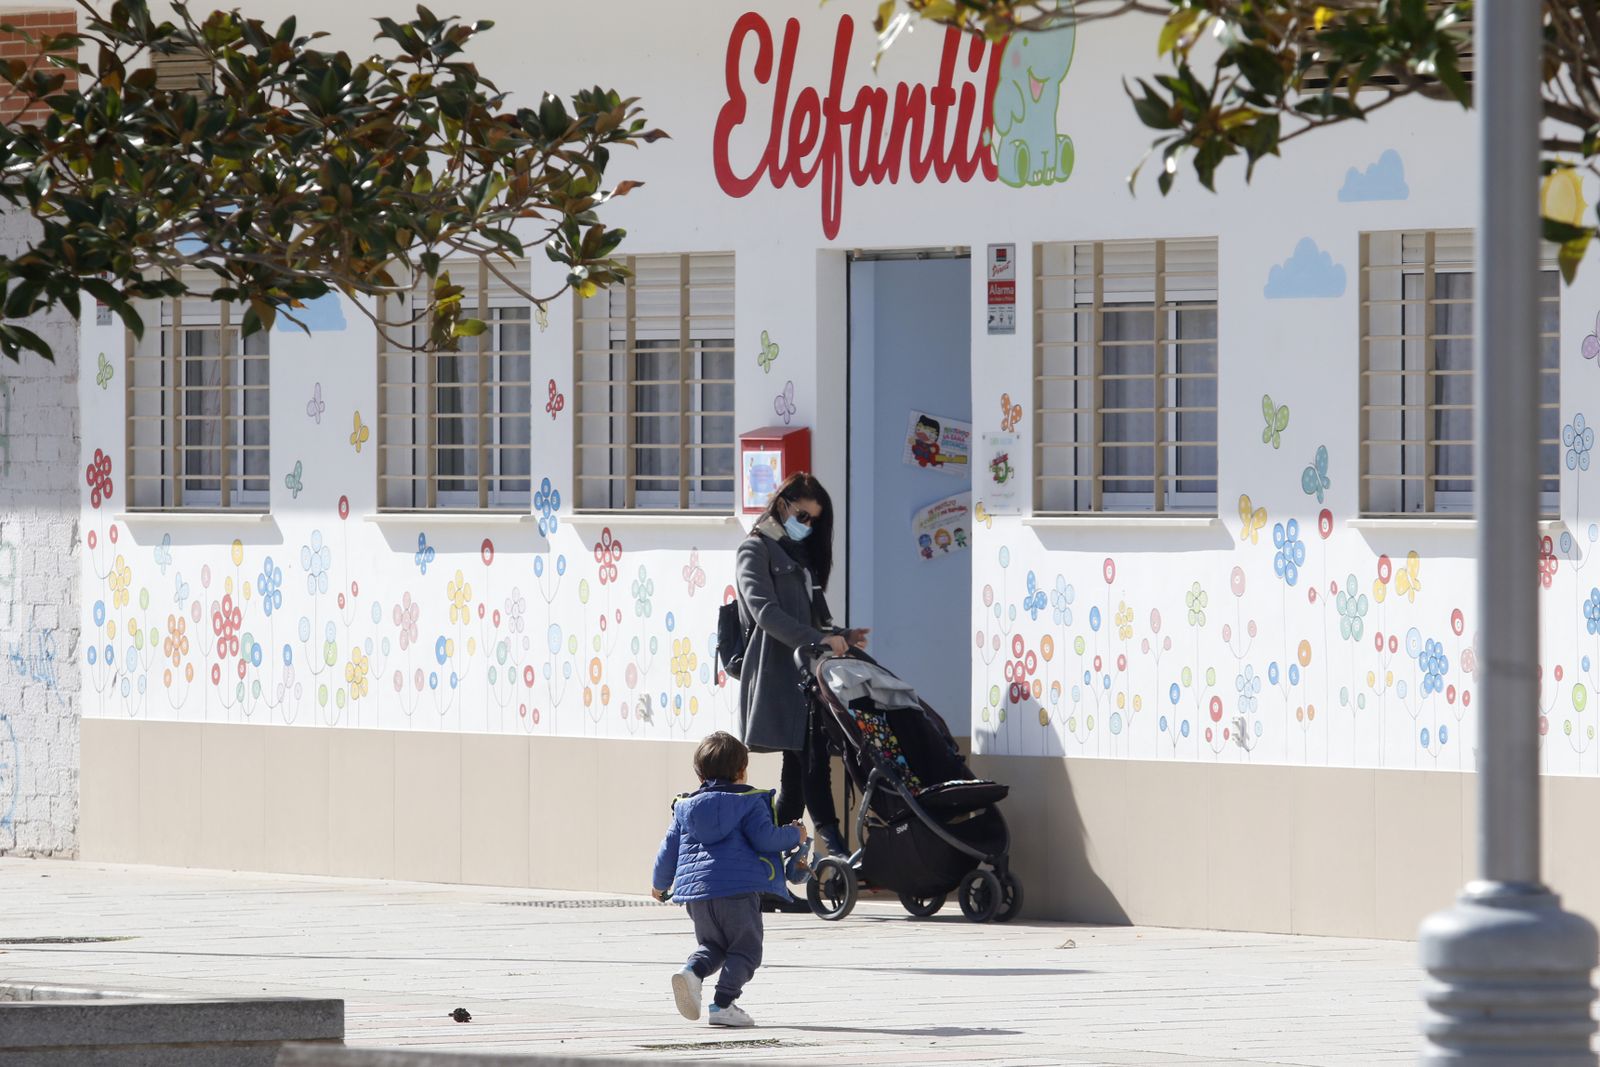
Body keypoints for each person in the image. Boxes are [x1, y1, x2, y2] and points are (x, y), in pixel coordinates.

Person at [734, 472, 867, 860]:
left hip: (808, 678)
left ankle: (769, 866)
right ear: (782, 503)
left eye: (814, 520)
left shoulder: (800, 557)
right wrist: (818, 640)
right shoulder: (754, 550)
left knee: (799, 774)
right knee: (811, 766)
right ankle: (839, 852)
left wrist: (843, 633)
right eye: (802, 516)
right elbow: (765, 613)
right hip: (779, 674)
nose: (807, 526)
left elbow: (816, 619)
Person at [651, 731, 807, 1028]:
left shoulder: (684, 808)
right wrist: (795, 835)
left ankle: (692, 972)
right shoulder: (748, 802)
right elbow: (765, 839)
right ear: (741, 770)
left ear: (699, 773)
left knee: (713, 946)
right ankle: (723, 1003)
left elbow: (667, 850)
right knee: (746, 950)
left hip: (697, 895)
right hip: (737, 892)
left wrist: (660, 884)